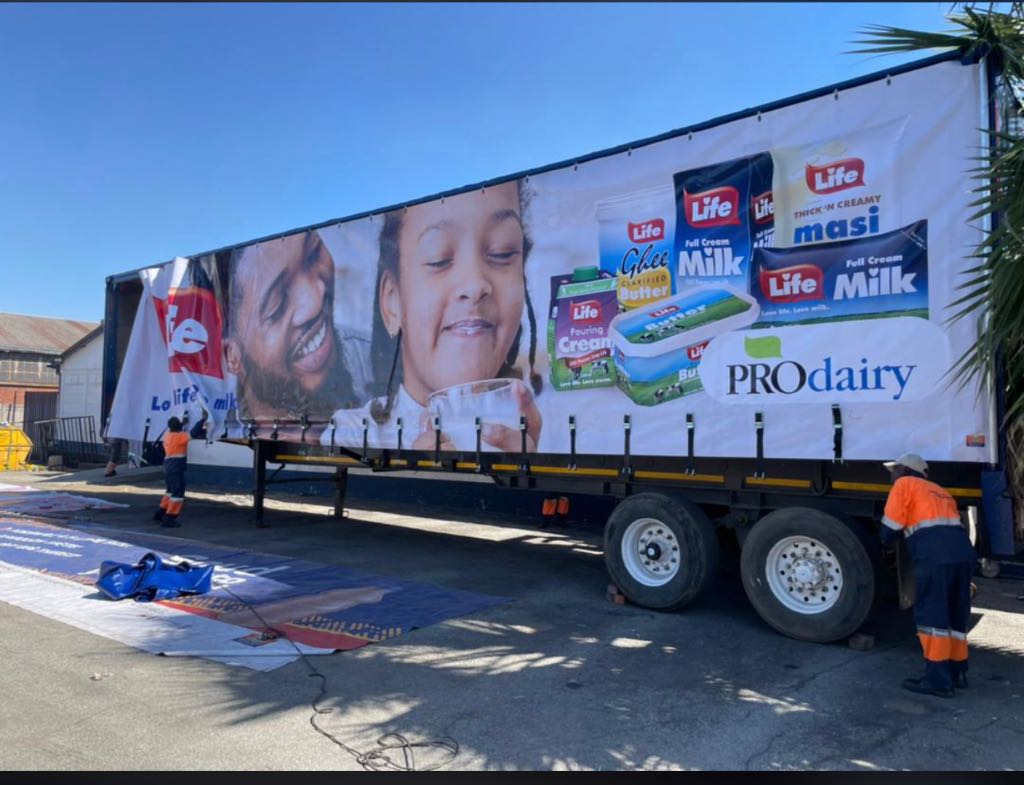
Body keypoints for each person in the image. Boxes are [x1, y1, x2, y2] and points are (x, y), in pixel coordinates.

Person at [323, 179, 543, 452]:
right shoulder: (352, 436)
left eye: (502, 252)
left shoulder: (552, 431)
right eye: (438, 258)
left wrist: (526, 477)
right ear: (392, 300)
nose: (475, 284)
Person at [223, 229, 372, 430]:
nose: (315, 301)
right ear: (233, 356)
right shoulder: (225, 422)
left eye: (313, 255)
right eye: (277, 306)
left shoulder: (374, 364)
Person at [880, 452, 976, 698]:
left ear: (905, 470)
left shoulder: (904, 485)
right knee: (956, 615)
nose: (892, 474)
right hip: (963, 555)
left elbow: (890, 530)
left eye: (894, 469)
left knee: (933, 619)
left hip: (935, 558)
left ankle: (937, 681)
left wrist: (886, 540)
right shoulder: (940, 490)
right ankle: (958, 671)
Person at [153, 412, 208, 528]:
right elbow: (193, 433)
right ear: (178, 427)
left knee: (170, 491)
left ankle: (160, 513)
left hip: (168, 467)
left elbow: (177, 429)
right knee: (177, 493)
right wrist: (202, 420)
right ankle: (170, 517)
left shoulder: (168, 435)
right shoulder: (179, 437)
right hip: (176, 468)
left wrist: (183, 422)